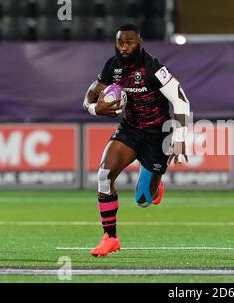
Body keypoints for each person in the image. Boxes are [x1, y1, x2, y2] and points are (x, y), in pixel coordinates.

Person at [83, 24, 190, 257]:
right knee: (104, 174)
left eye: (129, 41)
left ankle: (154, 184)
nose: (123, 46)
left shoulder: (153, 67)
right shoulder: (112, 67)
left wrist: (180, 139)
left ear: (139, 41)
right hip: (129, 130)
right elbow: (88, 97)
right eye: (120, 42)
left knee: (143, 200)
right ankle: (110, 238)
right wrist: (95, 109)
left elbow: (181, 102)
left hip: (158, 135)